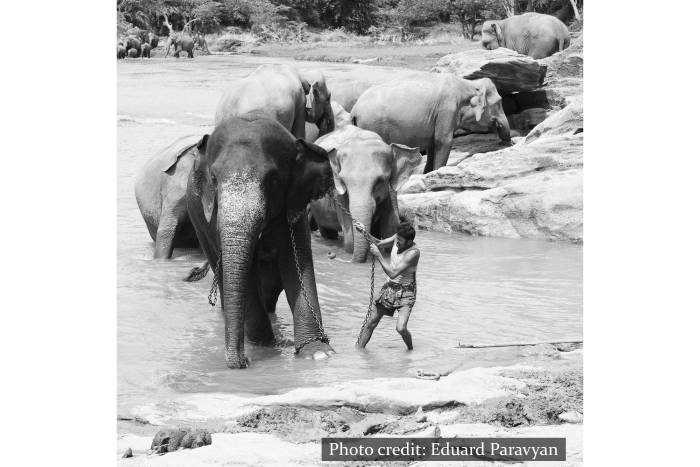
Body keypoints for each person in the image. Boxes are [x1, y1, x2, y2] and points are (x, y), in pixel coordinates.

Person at [357, 218, 420, 350]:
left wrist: (378, 255)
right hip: (389, 289)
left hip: (406, 293)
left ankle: (410, 351)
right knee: (371, 322)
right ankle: (359, 352)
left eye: (400, 241)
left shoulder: (413, 253)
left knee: (401, 328)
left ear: (409, 242)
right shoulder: (398, 237)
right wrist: (364, 232)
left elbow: (393, 273)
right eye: (397, 239)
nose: (397, 243)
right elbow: (379, 242)